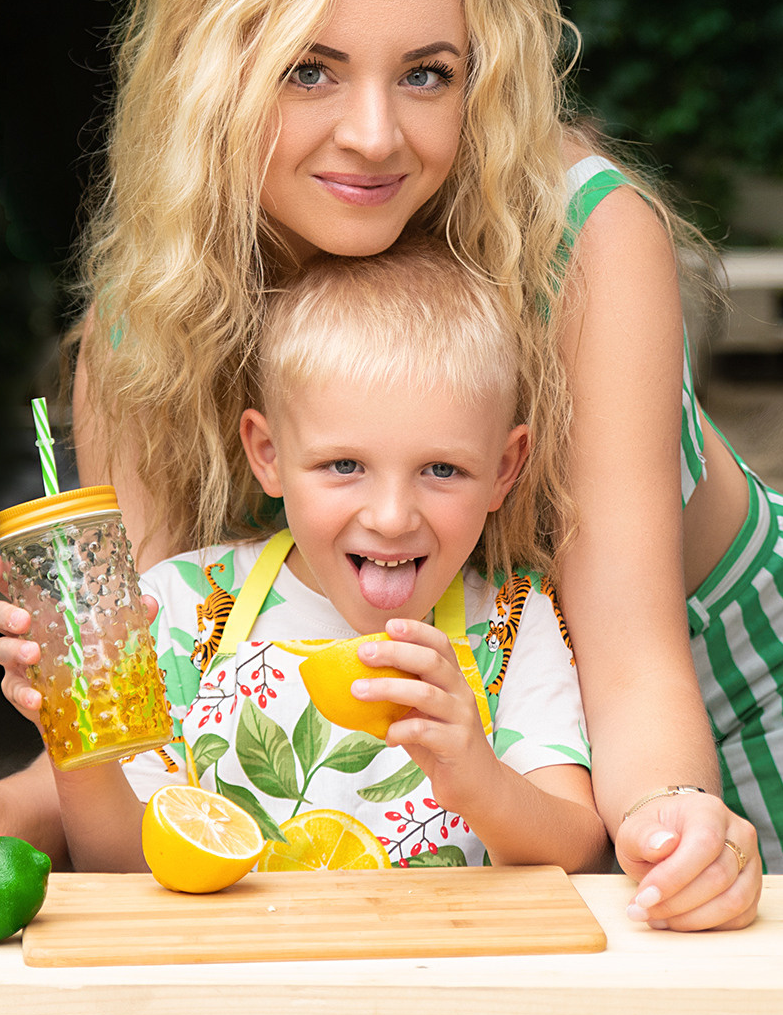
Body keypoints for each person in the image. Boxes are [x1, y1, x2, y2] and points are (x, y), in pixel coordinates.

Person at [0, 0, 783, 929]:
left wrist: (678, 815)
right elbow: (164, 736)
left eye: (426, 74)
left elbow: (632, 664)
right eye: (309, 68)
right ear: (214, 77)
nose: (372, 134)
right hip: (448, 817)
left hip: (742, 711)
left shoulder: (579, 243)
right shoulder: (147, 326)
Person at [32, 243, 601, 873]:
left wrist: (480, 781)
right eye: (344, 465)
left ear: (503, 469)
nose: (391, 517)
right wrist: (70, 732)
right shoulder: (180, 606)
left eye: (442, 469)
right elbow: (121, 866)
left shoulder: (512, 621)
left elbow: (575, 847)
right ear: (268, 453)